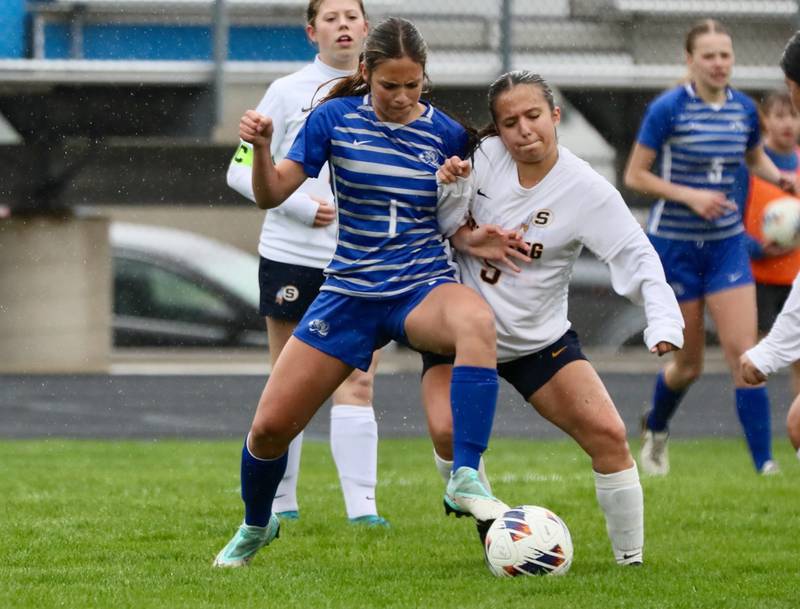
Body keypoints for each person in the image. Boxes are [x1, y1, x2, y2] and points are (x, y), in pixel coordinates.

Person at [213, 17, 518, 568]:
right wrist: (259, 149)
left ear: (425, 78)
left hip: (421, 285)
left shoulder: (448, 134)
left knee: (476, 321)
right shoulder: (331, 118)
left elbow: (461, 214)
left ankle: (465, 477)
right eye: (389, 86)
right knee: (270, 427)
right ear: (365, 73)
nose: (402, 98)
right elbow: (270, 192)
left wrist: (480, 235)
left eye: (413, 85)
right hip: (350, 291)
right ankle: (257, 525)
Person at [422, 70, 684, 566]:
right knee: (450, 437)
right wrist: (462, 226)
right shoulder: (480, 160)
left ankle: (632, 564)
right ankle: (497, 536)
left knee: (609, 436)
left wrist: (664, 322)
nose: (523, 130)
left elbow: (637, 255)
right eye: (510, 122)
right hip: (459, 332)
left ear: (555, 116)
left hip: (536, 342)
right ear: (496, 129)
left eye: (533, 116)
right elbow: (436, 222)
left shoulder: (586, 189)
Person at [226, 0, 389, 528]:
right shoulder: (288, 90)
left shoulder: (387, 91)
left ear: (367, 28)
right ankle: (281, 502)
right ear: (311, 32)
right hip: (293, 256)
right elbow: (239, 171)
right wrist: (299, 206)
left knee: (358, 381)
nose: (342, 25)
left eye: (351, 16)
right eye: (331, 18)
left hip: (361, 260)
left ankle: (363, 511)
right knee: (287, 384)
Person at [624, 19, 793, 476]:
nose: (720, 63)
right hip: (675, 247)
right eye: (710, 55)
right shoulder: (668, 108)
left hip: (726, 247)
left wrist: (782, 180)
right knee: (690, 365)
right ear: (690, 60)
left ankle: (765, 466)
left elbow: (753, 156)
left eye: (726, 55)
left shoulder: (742, 109)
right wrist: (690, 195)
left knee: (746, 354)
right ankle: (656, 427)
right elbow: (635, 175)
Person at [740, 30, 800, 459]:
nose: (787, 120)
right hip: (760, 277)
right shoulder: (752, 167)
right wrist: (759, 247)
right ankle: (763, 459)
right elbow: (732, 221)